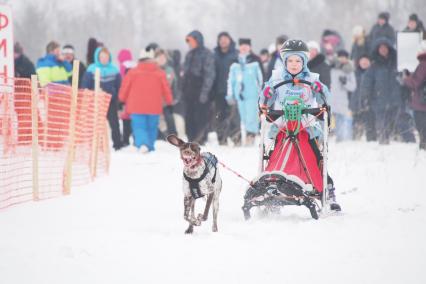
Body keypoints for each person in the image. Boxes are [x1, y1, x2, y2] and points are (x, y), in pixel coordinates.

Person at [261, 39, 341, 211]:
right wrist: (266, 94)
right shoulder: (276, 79)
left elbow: (324, 101)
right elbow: (265, 101)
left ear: (304, 62)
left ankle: (327, 189)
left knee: (316, 156)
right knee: (275, 155)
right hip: (283, 125)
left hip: (306, 126)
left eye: (298, 61)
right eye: (290, 61)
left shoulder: (312, 79)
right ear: (284, 62)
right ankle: (271, 187)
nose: (294, 65)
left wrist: (321, 91)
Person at [119, 48, 173, 153]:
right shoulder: (160, 73)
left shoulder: (132, 72)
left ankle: (143, 143)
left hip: (136, 106)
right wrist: (169, 103)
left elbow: (125, 87)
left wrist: (121, 100)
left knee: (139, 127)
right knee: (152, 127)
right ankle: (150, 145)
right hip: (154, 107)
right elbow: (166, 89)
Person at [360, 38, 403, 145]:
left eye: (385, 48)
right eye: (381, 48)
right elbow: (367, 83)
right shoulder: (374, 66)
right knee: (381, 124)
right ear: (377, 50)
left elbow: (403, 81)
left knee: (397, 123)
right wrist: (366, 97)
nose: (383, 50)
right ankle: (383, 144)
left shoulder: (396, 64)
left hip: (395, 100)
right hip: (379, 100)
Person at [82, 47, 123, 150]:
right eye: (102, 57)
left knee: (114, 124)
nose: (104, 59)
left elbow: (120, 86)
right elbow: (85, 85)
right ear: (98, 57)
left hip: (111, 101)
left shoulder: (114, 69)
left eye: (106, 57)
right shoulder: (91, 69)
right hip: (95, 101)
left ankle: (117, 144)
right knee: (96, 124)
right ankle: (95, 145)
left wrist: (118, 99)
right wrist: (88, 95)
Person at [226, 38, 263, 146]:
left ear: (250, 47)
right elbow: (230, 80)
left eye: (246, 46)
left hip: (252, 95)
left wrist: (262, 93)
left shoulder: (255, 61)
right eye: (242, 46)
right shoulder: (234, 62)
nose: (244, 48)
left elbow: (260, 79)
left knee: (251, 117)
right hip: (238, 96)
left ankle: (250, 138)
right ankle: (236, 138)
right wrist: (230, 94)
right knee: (238, 118)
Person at [181, 30, 215, 144]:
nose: (189, 44)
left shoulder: (207, 54)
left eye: (191, 41)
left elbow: (209, 75)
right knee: (189, 117)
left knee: (201, 117)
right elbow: (184, 74)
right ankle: (191, 138)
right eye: (188, 42)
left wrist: (204, 93)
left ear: (197, 40)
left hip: (200, 91)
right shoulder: (189, 54)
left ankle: (200, 139)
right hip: (188, 92)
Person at [212, 31, 239, 145]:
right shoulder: (214, 55)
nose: (223, 41)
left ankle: (235, 137)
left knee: (234, 115)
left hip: (233, 91)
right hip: (218, 90)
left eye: (225, 38)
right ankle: (221, 138)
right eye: (221, 39)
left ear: (230, 40)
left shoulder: (235, 54)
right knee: (219, 115)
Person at [403, 40, 426, 150]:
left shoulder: (423, 64)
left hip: (422, 103)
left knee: (422, 130)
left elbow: (416, 83)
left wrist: (405, 79)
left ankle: (423, 151)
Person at [330, 50, 357, 142]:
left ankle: (340, 138)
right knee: (329, 118)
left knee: (340, 118)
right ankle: (329, 136)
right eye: (340, 57)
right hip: (330, 96)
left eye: (344, 57)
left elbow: (353, 87)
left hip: (342, 98)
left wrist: (345, 83)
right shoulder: (332, 68)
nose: (342, 59)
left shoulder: (349, 70)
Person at [350, 54, 376, 141]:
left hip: (369, 103)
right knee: (356, 125)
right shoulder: (355, 73)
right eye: (362, 60)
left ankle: (371, 140)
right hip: (356, 103)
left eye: (366, 60)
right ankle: (356, 140)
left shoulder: (373, 73)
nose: (364, 62)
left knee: (370, 125)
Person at [155, 49, 178, 138]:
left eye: (163, 57)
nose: (161, 59)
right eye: (159, 57)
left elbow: (174, 84)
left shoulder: (170, 70)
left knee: (169, 118)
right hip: (155, 100)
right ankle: (158, 136)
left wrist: (174, 96)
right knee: (155, 120)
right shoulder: (153, 69)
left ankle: (173, 136)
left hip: (167, 100)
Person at [117, 48, 135, 147]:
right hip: (135, 96)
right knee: (135, 119)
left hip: (126, 95)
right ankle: (136, 138)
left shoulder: (122, 66)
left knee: (125, 119)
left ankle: (125, 140)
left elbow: (121, 81)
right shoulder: (135, 65)